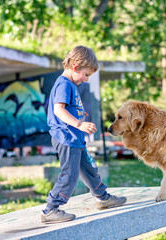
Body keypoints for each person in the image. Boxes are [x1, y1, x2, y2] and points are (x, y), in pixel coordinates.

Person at [41, 46, 127, 224]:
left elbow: (68, 109)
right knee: (70, 175)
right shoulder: (64, 84)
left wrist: (80, 116)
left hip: (75, 139)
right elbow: (58, 110)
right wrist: (79, 123)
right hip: (66, 139)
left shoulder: (70, 84)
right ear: (76, 67)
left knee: (89, 169)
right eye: (86, 75)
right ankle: (51, 209)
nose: (87, 80)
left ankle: (102, 198)